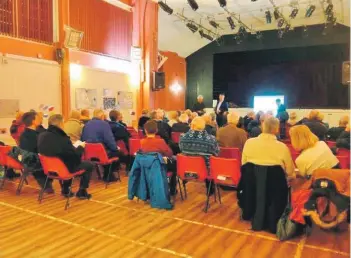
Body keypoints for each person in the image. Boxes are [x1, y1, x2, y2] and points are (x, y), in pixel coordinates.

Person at [38, 114, 92, 199]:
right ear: (60, 124)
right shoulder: (62, 138)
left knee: (65, 161)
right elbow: (74, 157)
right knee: (89, 165)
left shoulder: (42, 135)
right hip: (63, 169)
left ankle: (66, 189)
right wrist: (81, 148)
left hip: (49, 168)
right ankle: (82, 191)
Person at [179, 117, 219, 193]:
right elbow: (216, 153)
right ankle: (210, 188)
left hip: (186, 168)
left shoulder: (182, 137)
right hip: (206, 169)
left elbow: (181, 150)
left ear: (192, 126)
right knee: (211, 161)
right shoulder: (212, 139)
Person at [81, 109, 121, 182]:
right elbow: (109, 140)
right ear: (102, 116)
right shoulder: (104, 124)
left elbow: (82, 139)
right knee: (117, 153)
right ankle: (108, 175)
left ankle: (108, 174)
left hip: (88, 154)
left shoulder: (86, 124)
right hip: (101, 154)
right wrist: (115, 148)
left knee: (108, 151)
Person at [19, 112, 54, 192]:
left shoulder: (24, 134)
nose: (40, 119)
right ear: (34, 121)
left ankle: (46, 183)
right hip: (36, 163)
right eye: (38, 118)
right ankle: (48, 184)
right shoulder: (35, 136)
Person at [140, 120, 177, 195]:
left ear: (145, 130)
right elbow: (169, 154)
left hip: (146, 166)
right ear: (156, 130)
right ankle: (172, 190)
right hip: (160, 166)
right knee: (175, 163)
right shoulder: (160, 141)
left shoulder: (141, 142)